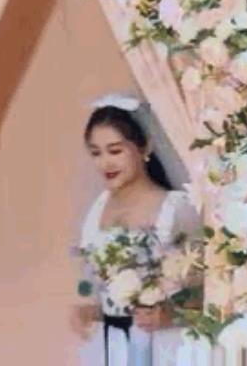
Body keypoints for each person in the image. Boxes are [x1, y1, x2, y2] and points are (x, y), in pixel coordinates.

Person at [71, 94, 202, 366]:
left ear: (145, 147)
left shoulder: (175, 207)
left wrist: (170, 315)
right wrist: (92, 311)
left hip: (166, 347)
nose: (105, 163)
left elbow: (207, 293)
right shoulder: (98, 208)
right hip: (112, 346)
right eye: (96, 153)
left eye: (115, 151)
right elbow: (106, 291)